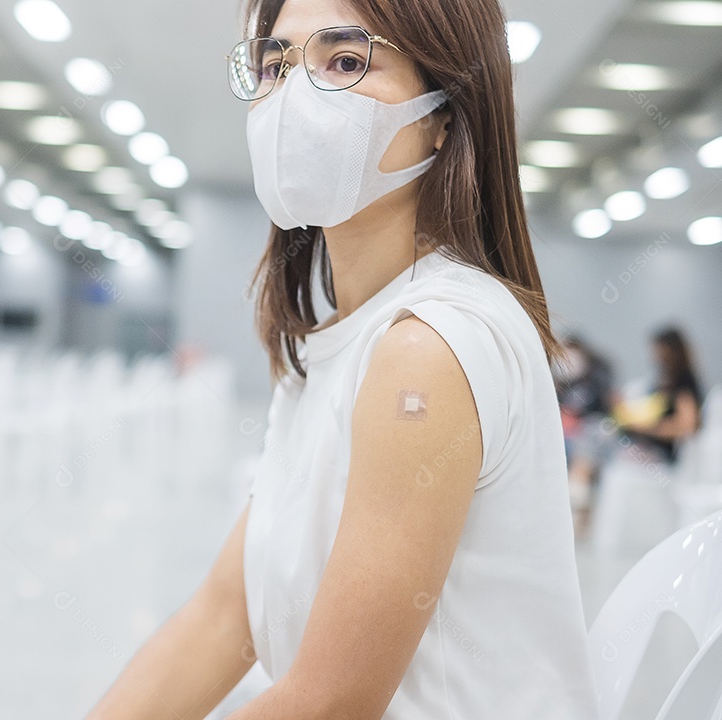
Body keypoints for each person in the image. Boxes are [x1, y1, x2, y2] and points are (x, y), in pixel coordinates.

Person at [85, 0, 599, 718]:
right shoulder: (339, 338)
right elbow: (225, 615)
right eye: (275, 64)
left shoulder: (428, 345)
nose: (294, 97)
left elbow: (330, 704)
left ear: (444, 114)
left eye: (347, 61)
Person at [616, 326, 702, 464]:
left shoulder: (684, 382)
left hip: (663, 455)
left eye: (658, 349)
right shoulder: (663, 380)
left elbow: (687, 426)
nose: (654, 354)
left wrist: (646, 428)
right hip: (646, 443)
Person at [557, 336, 615, 537]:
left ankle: (576, 521)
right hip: (568, 437)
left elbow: (602, 413)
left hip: (595, 434)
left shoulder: (597, 380)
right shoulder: (563, 383)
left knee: (582, 462)